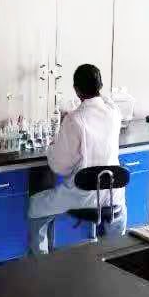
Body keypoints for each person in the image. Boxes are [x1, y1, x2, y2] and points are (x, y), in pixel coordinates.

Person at [28, 64, 126, 255]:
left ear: (76, 90)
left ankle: (40, 262)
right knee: (120, 213)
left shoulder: (75, 119)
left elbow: (59, 167)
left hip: (82, 196)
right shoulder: (114, 113)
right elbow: (105, 101)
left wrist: (52, 146)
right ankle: (116, 256)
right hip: (113, 196)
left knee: (35, 207)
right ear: (101, 86)